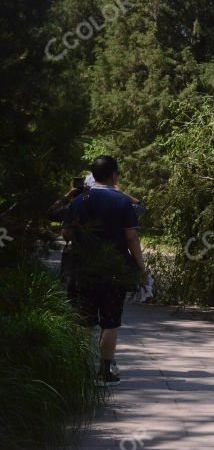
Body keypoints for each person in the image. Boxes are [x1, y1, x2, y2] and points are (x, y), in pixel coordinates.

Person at [63, 155, 146, 387]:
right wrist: (141, 268)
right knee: (110, 322)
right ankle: (104, 372)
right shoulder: (121, 201)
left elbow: (66, 234)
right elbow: (131, 236)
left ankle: (79, 369)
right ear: (114, 175)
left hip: (84, 270)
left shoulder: (80, 200)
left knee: (85, 321)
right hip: (114, 270)